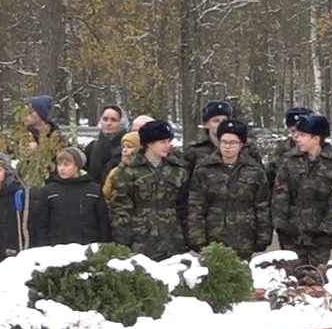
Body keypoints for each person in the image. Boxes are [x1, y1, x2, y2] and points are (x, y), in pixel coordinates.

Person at [272, 111, 332, 277]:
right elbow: (280, 195)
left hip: (320, 237)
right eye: (297, 134)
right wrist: (282, 225)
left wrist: (325, 228)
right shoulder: (288, 161)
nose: (297, 138)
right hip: (292, 233)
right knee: (291, 280)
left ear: (316, 138)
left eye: (303, 135)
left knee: (317, 280)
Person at [109, 119, 192, 260]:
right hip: (141, 238)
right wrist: (123, 241)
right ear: (150, 144)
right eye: (163, 142)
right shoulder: (129, 170)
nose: (168, 146)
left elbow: (184, 205)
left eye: (168, 141)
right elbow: (120, 208)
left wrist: (187, 236)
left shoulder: (178, 169)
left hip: (172, 237)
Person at [188, 119, 273, 255]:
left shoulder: (255, 170)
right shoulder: (204, 169)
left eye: (233, 143)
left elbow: (262, 206)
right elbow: (196, 207)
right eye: (224, 142)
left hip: (245, 236)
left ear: (241, 145)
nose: (228, 147)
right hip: (213, 235)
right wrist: (197, 238)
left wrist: (263, 236)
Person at [31, 147, 109, 248]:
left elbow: (102, 222)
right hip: (57, 247)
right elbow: (42, 224)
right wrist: (42, 247)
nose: (61, 168)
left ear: (77, 166)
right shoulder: (49, 191)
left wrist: (103, 246)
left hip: (87, 246)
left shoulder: (93, 190)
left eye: (66, 164)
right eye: (59, 165)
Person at [180, 100, 237, 174]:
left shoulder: (245, 148)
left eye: (225, 121)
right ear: (206, 124)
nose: (221, 124)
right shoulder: (194, 151)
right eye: (216, 121)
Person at [85, 105, 127, 185]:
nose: (108, 123)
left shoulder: (129, 148)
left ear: (122, 122)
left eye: (113, 120)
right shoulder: (91, 147)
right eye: (105, 119)